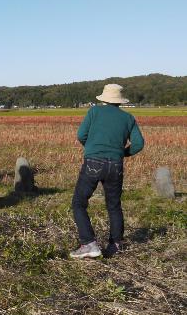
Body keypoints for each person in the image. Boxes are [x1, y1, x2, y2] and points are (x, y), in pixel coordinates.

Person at [70, 84, 144, 259]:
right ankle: (116, 244)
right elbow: (139, 144)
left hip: (93, 162)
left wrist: (92, 148)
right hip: (116, 165)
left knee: (79, 202)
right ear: (119, 101)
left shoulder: (94, 112)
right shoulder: (128, 118)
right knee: (114, 205)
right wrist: (122, 153)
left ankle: (89, 243)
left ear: (103, 99)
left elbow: (81, 135)